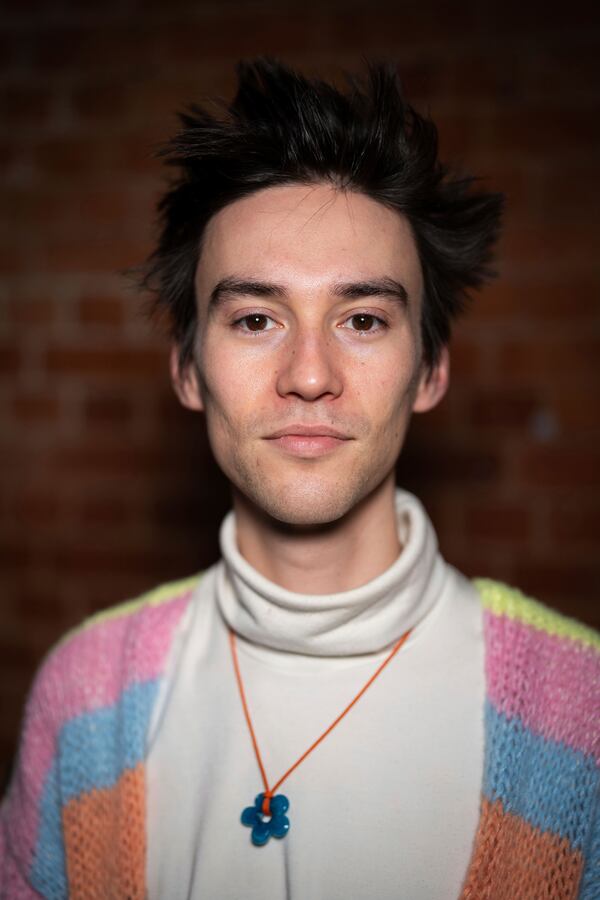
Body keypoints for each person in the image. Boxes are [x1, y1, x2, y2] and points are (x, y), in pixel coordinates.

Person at [1, 58, 598, 900]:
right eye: (254, 318)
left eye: (362, 319)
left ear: (428, 371)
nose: (309, 375)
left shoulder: (584, 716)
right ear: (186, 370)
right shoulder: (83, 695)